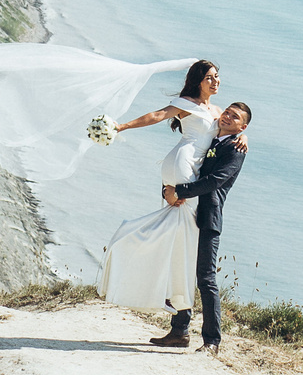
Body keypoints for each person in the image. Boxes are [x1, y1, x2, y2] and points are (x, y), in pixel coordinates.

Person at [95, 60, 244, 314]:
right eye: (209, 77)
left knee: (178, 227)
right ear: (198, 81)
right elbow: (156, 115)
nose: (215, 81)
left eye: (217, 76)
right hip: (183, 163)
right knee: (184, 228)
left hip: (190, 166)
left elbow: (229, 131)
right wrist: (122, 126)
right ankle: (167, 291)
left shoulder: (218, 111)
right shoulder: (186, 103)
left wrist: (244, 136)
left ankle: (165, 289)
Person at [150, 100, 249, 352]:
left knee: (205, 278)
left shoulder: (236, 149)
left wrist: (179, 190)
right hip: (187, 211)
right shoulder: (211, 140)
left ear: (242, 127)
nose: (227, 117)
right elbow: (189, 168)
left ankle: (212, 341)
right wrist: (168, 190)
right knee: (180, 269)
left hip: (207, 218)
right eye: (227, 112)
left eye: (235, 117)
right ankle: (179, 332)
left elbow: (215, 181)